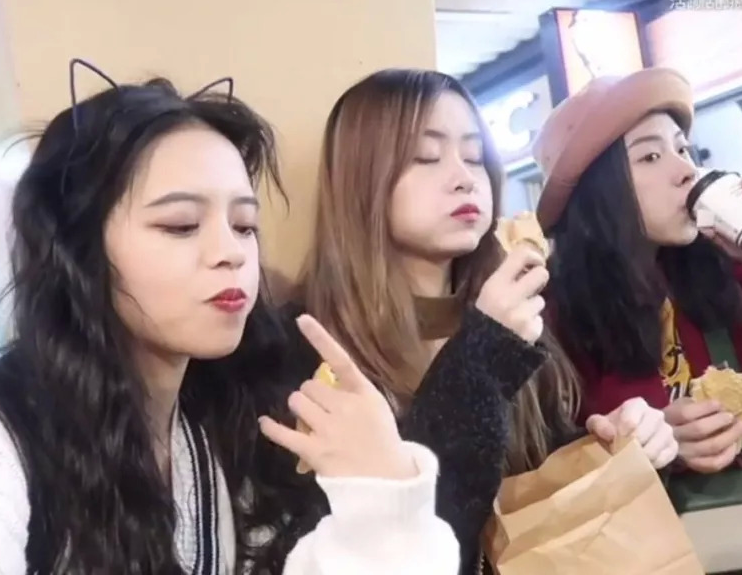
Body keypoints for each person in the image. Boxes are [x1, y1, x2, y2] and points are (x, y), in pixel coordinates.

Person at [0, 72, 458, 574]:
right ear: (78, 250)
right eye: (181, 225)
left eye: (244, 225)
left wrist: (381, 495)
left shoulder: (222, 426)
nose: (231, 252)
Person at [282, 68, 679, 575]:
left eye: (474, 157)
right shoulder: (307, 343)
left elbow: (534, 493)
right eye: (426, 157)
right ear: (360, 179)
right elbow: (420, 535)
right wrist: (486, 352)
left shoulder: (517, 310)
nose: (464, 177)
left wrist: (613, 445)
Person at [537, 67, 742, 573]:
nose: (686, 171)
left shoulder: (714, 274)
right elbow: (537, 474)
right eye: (650, 156)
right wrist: (652, 446)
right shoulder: (548, 311)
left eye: (683, 149)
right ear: (596, 192)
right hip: (632, 557)